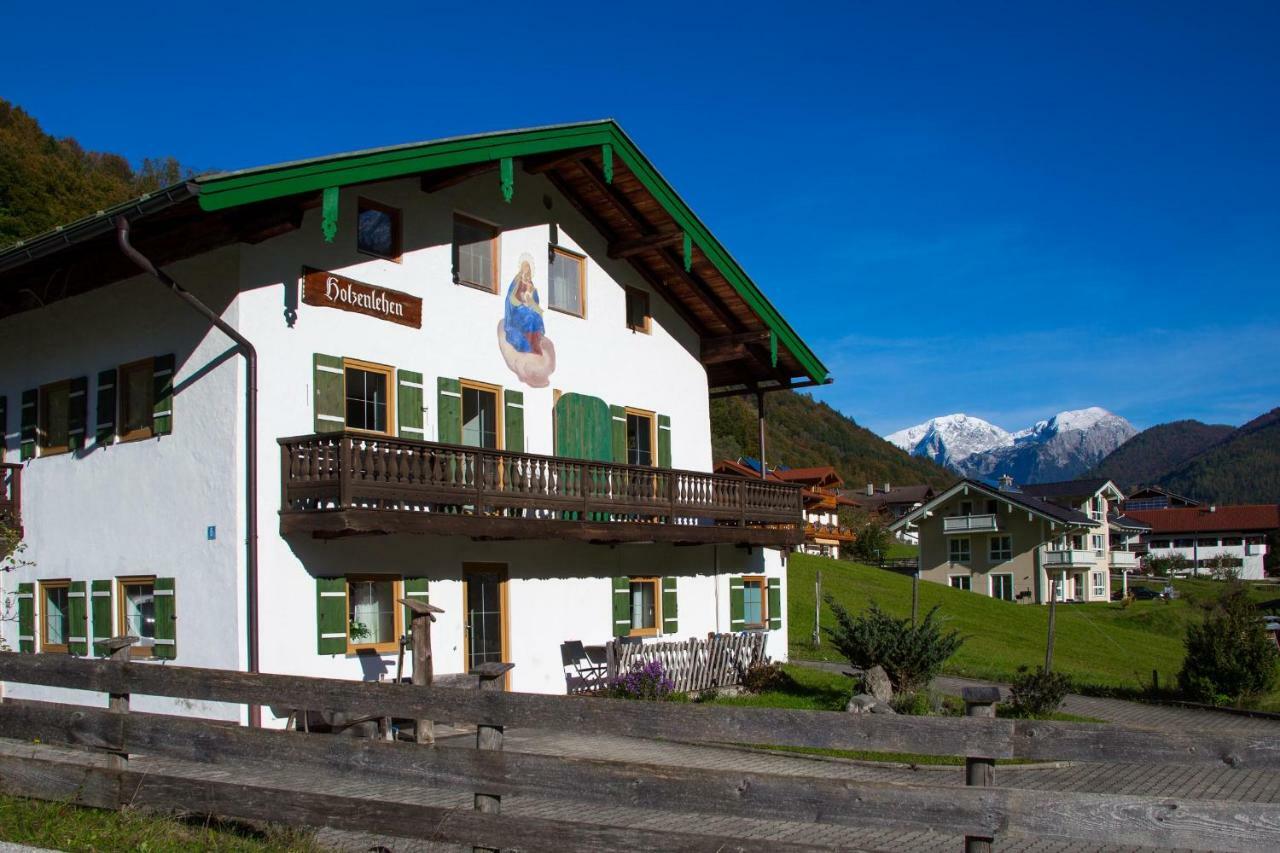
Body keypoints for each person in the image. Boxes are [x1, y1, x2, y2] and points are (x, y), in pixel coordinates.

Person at [503, 258, 545, 355]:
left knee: (536, 316)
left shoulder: (530, 283)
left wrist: (533, 294)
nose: (527, 269)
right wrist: (520, 302)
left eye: (528, 268)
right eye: (525, 267)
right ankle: (525, 345)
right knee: (529, 316)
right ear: (522, 268)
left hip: (527, 306)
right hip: (517, 308)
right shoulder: (517, 280)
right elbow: (510, 296)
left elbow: (535, 300)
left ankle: (534, 344)